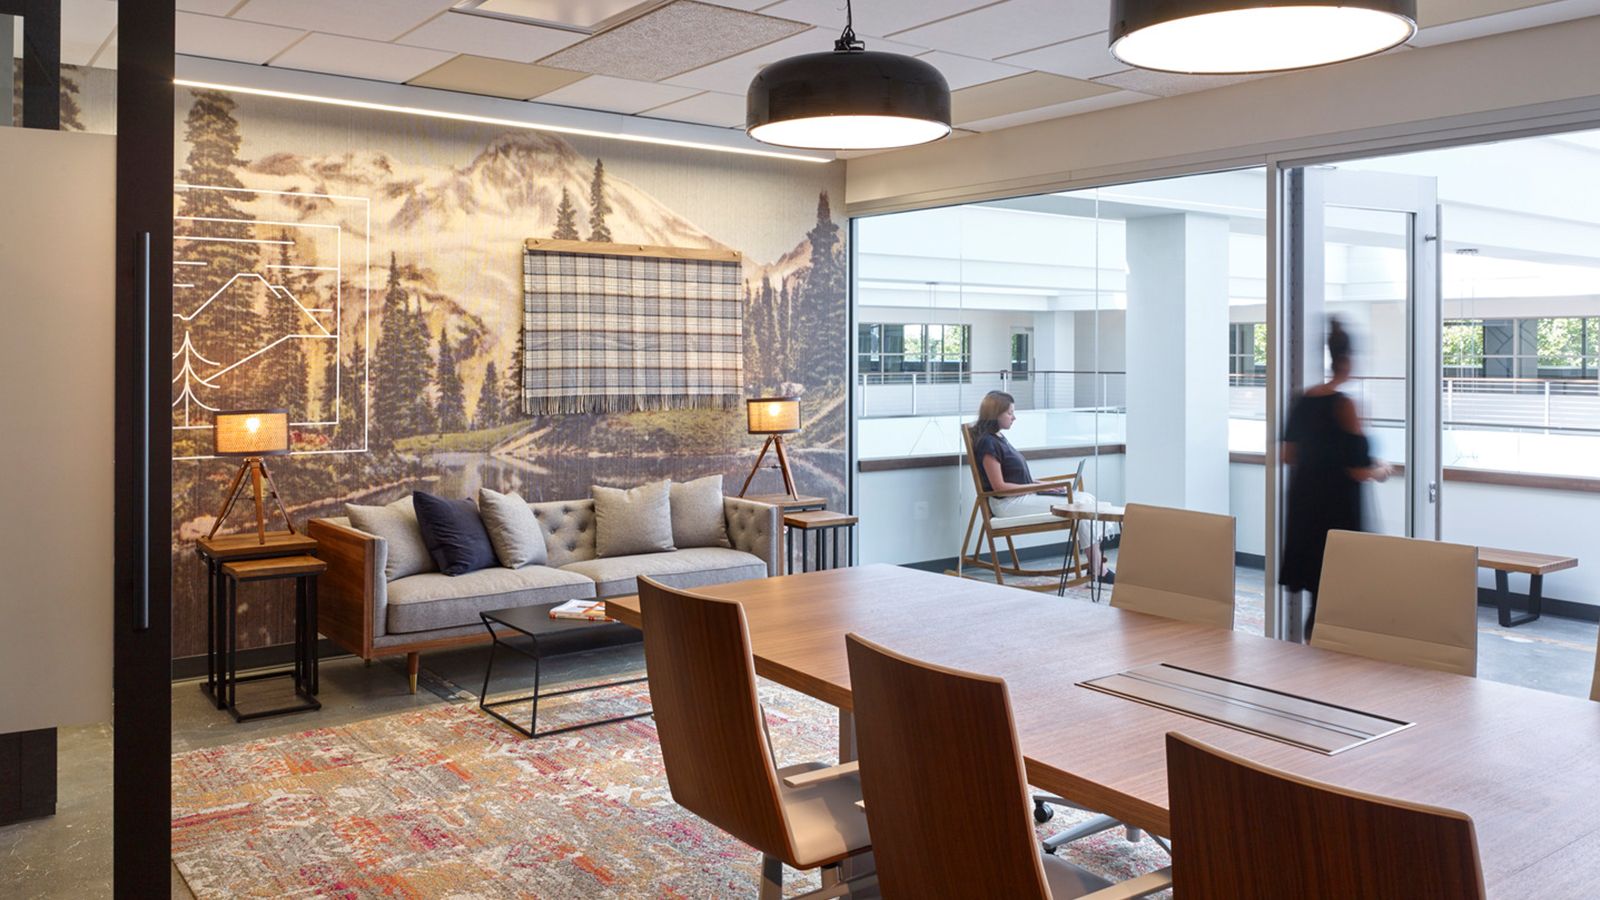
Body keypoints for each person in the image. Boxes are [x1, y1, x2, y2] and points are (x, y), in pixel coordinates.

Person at [1279, 318, 1392, 639]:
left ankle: (1312, 653)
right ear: (1347, 360)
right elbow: (1357, 470)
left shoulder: (1303, 399)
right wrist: (1381, 469)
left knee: (1319, 594)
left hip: (1305, 508)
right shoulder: (1346, 405)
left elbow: (1287, 455)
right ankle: (1325, 655)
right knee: (1339, 593)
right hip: (1337, 510)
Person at [972, 390, 1113, 583]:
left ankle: (1096, 568)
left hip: (1020, 496)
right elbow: (999, 487)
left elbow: (1018, 479)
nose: (1014, 417)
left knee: (1084, 499)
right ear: (996, 414)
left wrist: (1042, 485)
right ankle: (1098, 569)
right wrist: (1037, 489)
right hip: (1008, 503)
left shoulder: (998, 438)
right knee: (1082, 504)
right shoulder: (988, 443)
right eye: (1010, 413)